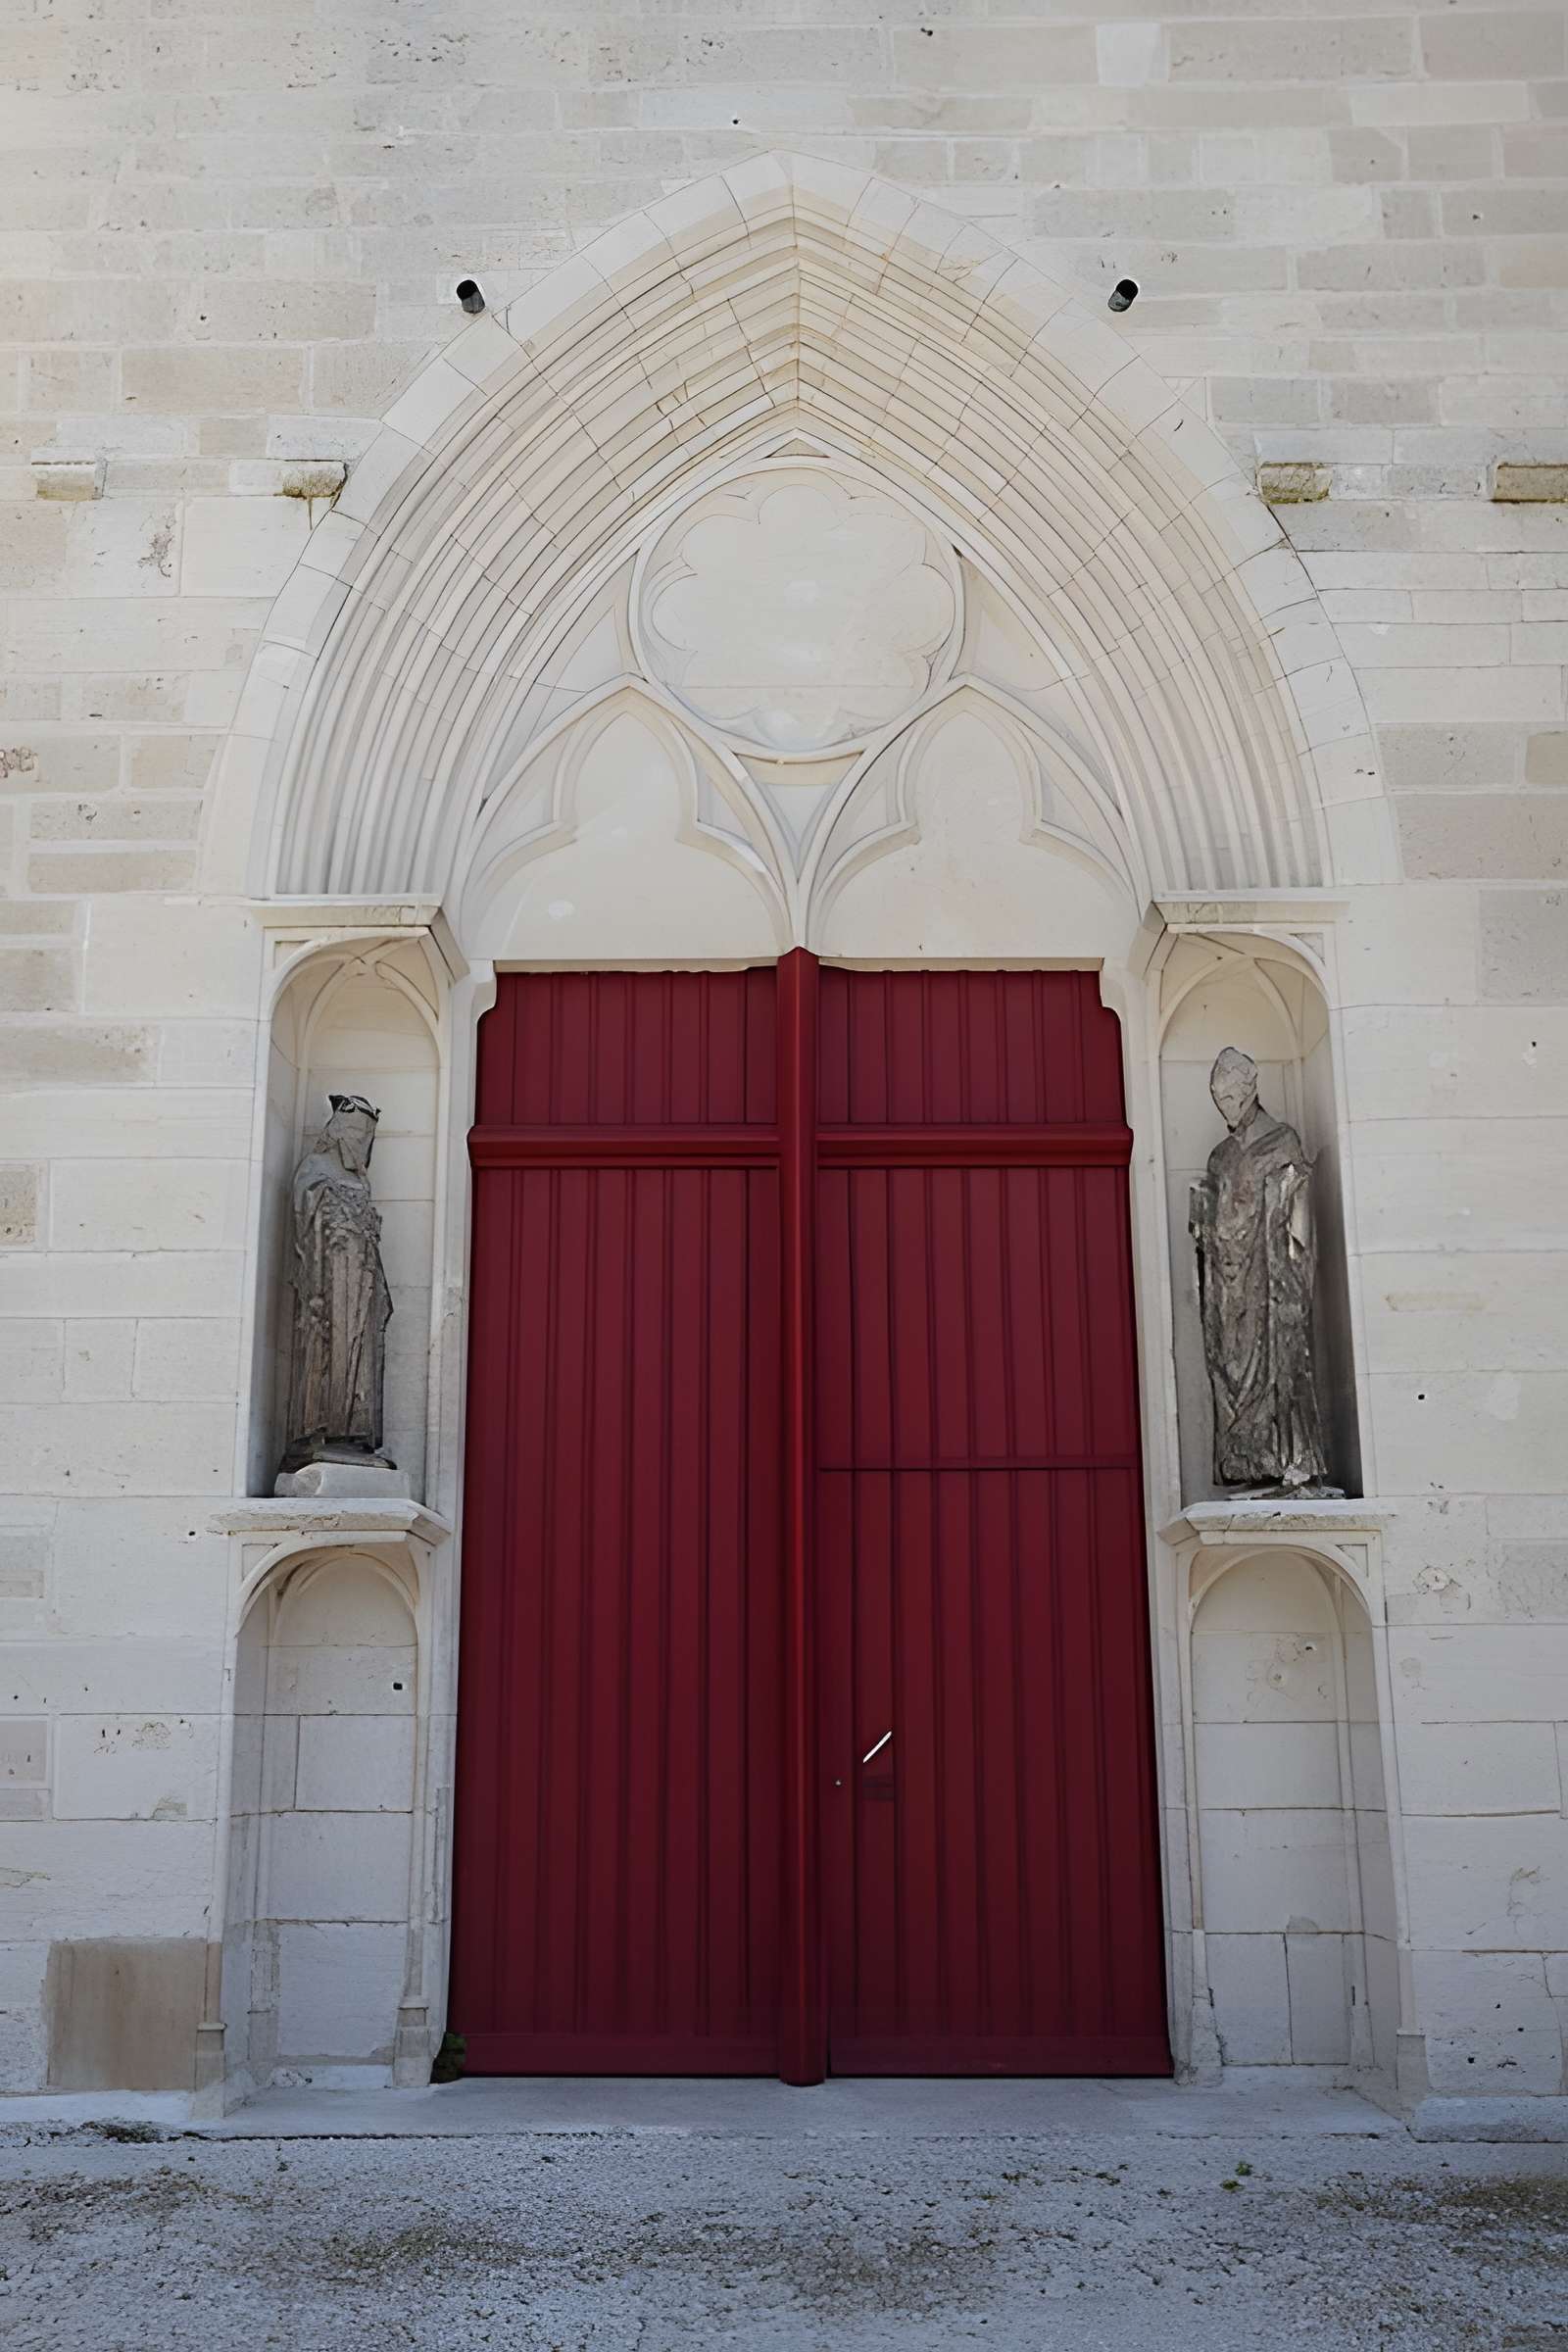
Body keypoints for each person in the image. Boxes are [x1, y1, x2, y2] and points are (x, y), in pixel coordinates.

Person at [1190, 1047, 1330, 1493]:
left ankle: (1292, 1459)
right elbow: (1215, 1221)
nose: (1225, 1106)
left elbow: (1297, 1219)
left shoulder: (1282, 1142)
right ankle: (1248, 1462)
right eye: (1219, 1098)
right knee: (1228, 1360)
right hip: (1231, 1288)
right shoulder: (1220, 1157)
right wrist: (1203, 1220)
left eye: (1231, 1096)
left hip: (1272, 1280)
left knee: (1283, 1360)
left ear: (1251, 1088)